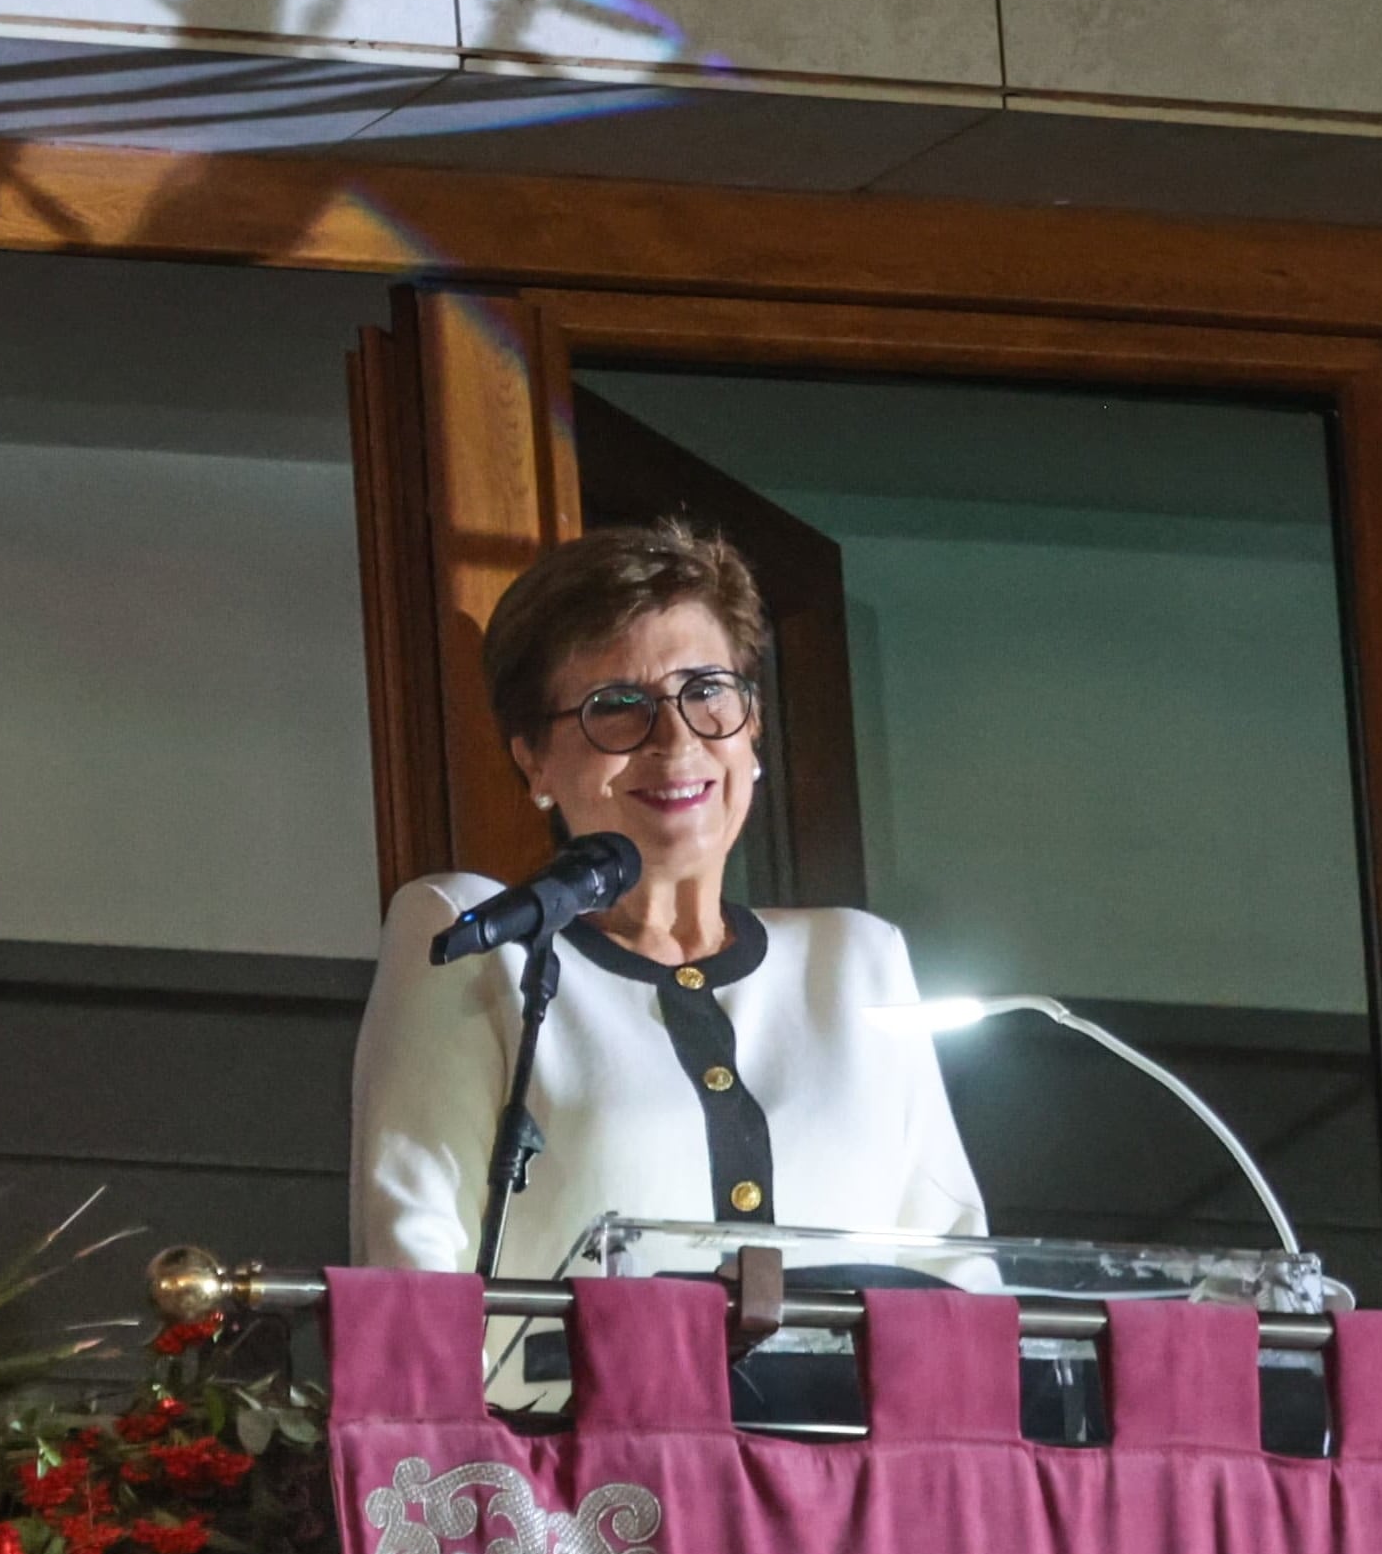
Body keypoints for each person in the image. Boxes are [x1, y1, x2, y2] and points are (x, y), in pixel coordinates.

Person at [351, 522, 987, 1307]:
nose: (675, 737)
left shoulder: (857, 958)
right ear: (533, 760)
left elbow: (962, 1278)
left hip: (855, 1430)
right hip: (560, 1431)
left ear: (751, 727)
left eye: (707, 691)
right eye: (616, 705)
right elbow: (413, 1268)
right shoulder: (476, 936)